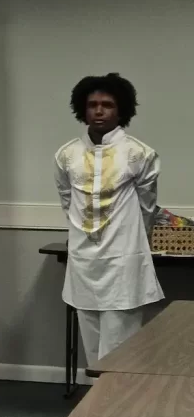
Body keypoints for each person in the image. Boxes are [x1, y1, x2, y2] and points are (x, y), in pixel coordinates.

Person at [55, 73, 163, 366]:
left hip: (123, 260)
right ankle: (96, 408)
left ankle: (122, 410)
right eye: (92, 104)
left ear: (121, 110)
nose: (99, 111)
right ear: (82, 109)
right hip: (83, 261)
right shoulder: (67, 155)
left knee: (121, 347)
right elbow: (69, 202)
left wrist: (129, 241)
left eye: (107, 105)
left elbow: (147, 208)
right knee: (91, 347)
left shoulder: (139, 154)